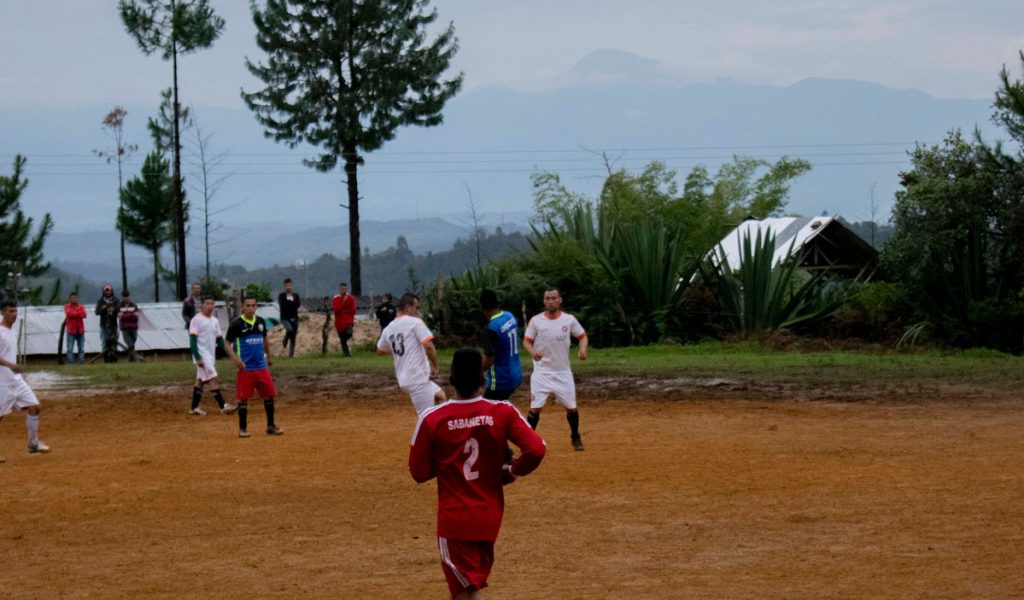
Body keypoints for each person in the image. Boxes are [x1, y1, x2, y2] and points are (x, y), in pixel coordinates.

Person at [409, 348, 546, 600]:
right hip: (490, 516)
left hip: (455, 521)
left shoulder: (432, 418)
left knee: (466, 592)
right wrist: (512, 471)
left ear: (451, 381)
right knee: (464, 586)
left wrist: (446, 464)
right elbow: (536, 449)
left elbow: (419, 473)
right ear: (483, 380)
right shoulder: (502, 411)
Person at [522, 288, 588, 451]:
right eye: (547, 299)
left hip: (562, 372)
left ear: (560, 300)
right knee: (535, 408)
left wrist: (582, 350)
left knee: (571, 407)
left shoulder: (569, 319)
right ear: (544, 301)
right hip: (542, 373)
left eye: (553, 298)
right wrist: (533, 353)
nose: (550, 301)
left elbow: (582, 336)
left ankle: (575, 436)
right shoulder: (536, 321)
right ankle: (528, 441)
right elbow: (526, 341)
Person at [223, 296, 282, 438]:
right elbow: (226, 344)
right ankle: (243, 429)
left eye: (253, 305)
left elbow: (265, 340)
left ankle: (271, 426)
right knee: (243, 399)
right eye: (248, 305)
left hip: (261, 367)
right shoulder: (236, 324)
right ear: (243, 307)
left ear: (256, 306)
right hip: (245, 368)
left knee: (269, 395)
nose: (250, 308)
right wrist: (236, 360)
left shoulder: (261, 322)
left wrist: (268, 357)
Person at [377, 292, 446, 415]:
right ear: (408, 307)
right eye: (417, 307)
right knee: (426, 417)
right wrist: (435, 366)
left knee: (441, 397)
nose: (418, 311)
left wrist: (397, 347)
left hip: (404, 379)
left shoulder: (389, 327)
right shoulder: (415, 322)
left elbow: (380, 351)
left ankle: (442, 430)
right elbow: (429, 346)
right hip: (417, 377)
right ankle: (431, 433)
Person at [0, 300, 52, 456]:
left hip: (15, 380)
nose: (14, 315)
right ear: (2, 312)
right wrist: (10, 365)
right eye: (10, 311)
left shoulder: (12, 332)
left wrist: (17, 371)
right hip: (2, 382)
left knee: (34, 407)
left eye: (16, 311)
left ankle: (33, 444)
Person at [188, 296, 236, 417]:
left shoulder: (215, 321)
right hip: (202, 356)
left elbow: (219, 340)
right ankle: (223, 406)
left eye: (212, 304)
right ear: (202, 305)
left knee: (200, 381)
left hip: (210, 355)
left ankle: (194, 407)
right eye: (207, 304)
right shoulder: (196, 320)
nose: (210, 306)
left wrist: (229, 352)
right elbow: (192, 340)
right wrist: (197, 357)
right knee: (213, 378)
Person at [479, 289, 522, 401]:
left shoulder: (492, 328)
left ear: (482, 308)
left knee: (488, 412)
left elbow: (489, 359)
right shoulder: (509, 316)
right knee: (501, 407)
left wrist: (476, 372)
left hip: (500, 380)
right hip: (516, 373)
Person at [95, 284, 119, 363]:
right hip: (104, 325)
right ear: (104, 291)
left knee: (114, 342)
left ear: (111, 291)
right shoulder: (100, 301)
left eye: (109, 290)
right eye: (106, 290)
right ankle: (106, 359)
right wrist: (104, 309)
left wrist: (113, 310)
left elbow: (118, 309)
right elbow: (97, 312)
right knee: (104, 342)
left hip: (113, 325)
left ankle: (114, 359)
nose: (107, 292)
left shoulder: (115, 300)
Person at [277, 278, 302, 358]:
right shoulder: (281, 296)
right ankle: (285, 339)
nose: (288, 287)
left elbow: (297, 304)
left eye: (289, 285)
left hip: (295, 318)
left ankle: (291, 356)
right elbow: (283, 305)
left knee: (293, 338)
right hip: (285, 318)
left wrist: (290, 304)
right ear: (284, 286)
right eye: (286, 286)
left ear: (292, 286)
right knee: (289, 329)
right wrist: (292, 304)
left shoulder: (296, 295)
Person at [331, 282, 357, 357]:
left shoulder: (350, 298)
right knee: (342, 341)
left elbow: (353, 310)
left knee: (349, 333)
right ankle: (347, 354)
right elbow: (336, 310)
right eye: (343, 289)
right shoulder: (336, 298)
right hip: (339, 323)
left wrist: (344, 311)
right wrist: (343, 302)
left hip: (348, 321)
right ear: (339, 289)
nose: (344, 290)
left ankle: (346, 351)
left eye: (345, 289)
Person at [64, 291, 86, 365]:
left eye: (76, 298)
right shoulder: (67, 306)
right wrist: (78, 313)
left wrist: (75, 313)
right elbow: (69, 314)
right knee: (70, 347)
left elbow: (84, 315)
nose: (74, 299)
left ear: (78, 298)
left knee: (81, 347)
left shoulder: (81, 306)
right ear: (69, 299)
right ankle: (70, 361)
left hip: (80, 330)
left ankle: (81, 361)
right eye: (73, 298)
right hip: (71, 330)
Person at [118, 290, 141, 362]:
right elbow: (120, 317)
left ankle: (130, 358)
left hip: (134, 327)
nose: (126, 298)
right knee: (129, 343)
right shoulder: (119, 306)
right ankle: (137, 358)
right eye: (125, 297)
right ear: (122, 298)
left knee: (133, 341)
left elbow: (136, 317)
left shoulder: (133, 305)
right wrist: (131, 314)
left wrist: (125, 315)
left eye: (127, 297)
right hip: (125, 328)